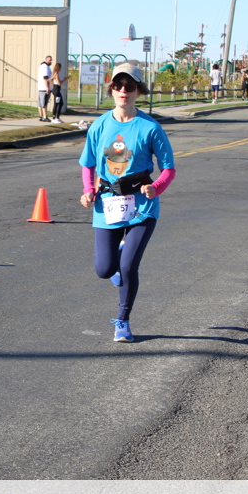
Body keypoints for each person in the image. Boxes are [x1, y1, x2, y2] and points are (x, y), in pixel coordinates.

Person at [78, 62, 176, 343]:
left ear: (138, 91)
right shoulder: (100, 125)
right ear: (112, 90)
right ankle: (119, 254)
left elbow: (169, 168)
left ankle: (123, 320)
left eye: (129, 86)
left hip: (142, 206)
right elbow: (88, 163)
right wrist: (88, 189)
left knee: (129, 267)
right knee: (104, 270)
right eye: (118, 85)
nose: (123, 91)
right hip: (107, 203)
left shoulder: (150, 127)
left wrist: (156, 188)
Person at [37, 55, 52, 122]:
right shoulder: (45, 67)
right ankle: (45, 117)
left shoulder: (41, 66)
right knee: (44, 103)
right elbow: (45, 78)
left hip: (41, 87)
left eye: (51, 60)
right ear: (46, 60)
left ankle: (41, 116)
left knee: (40, 102)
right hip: (44, 88)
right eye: (49, 60)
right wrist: (47, 88)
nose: (51, 61)